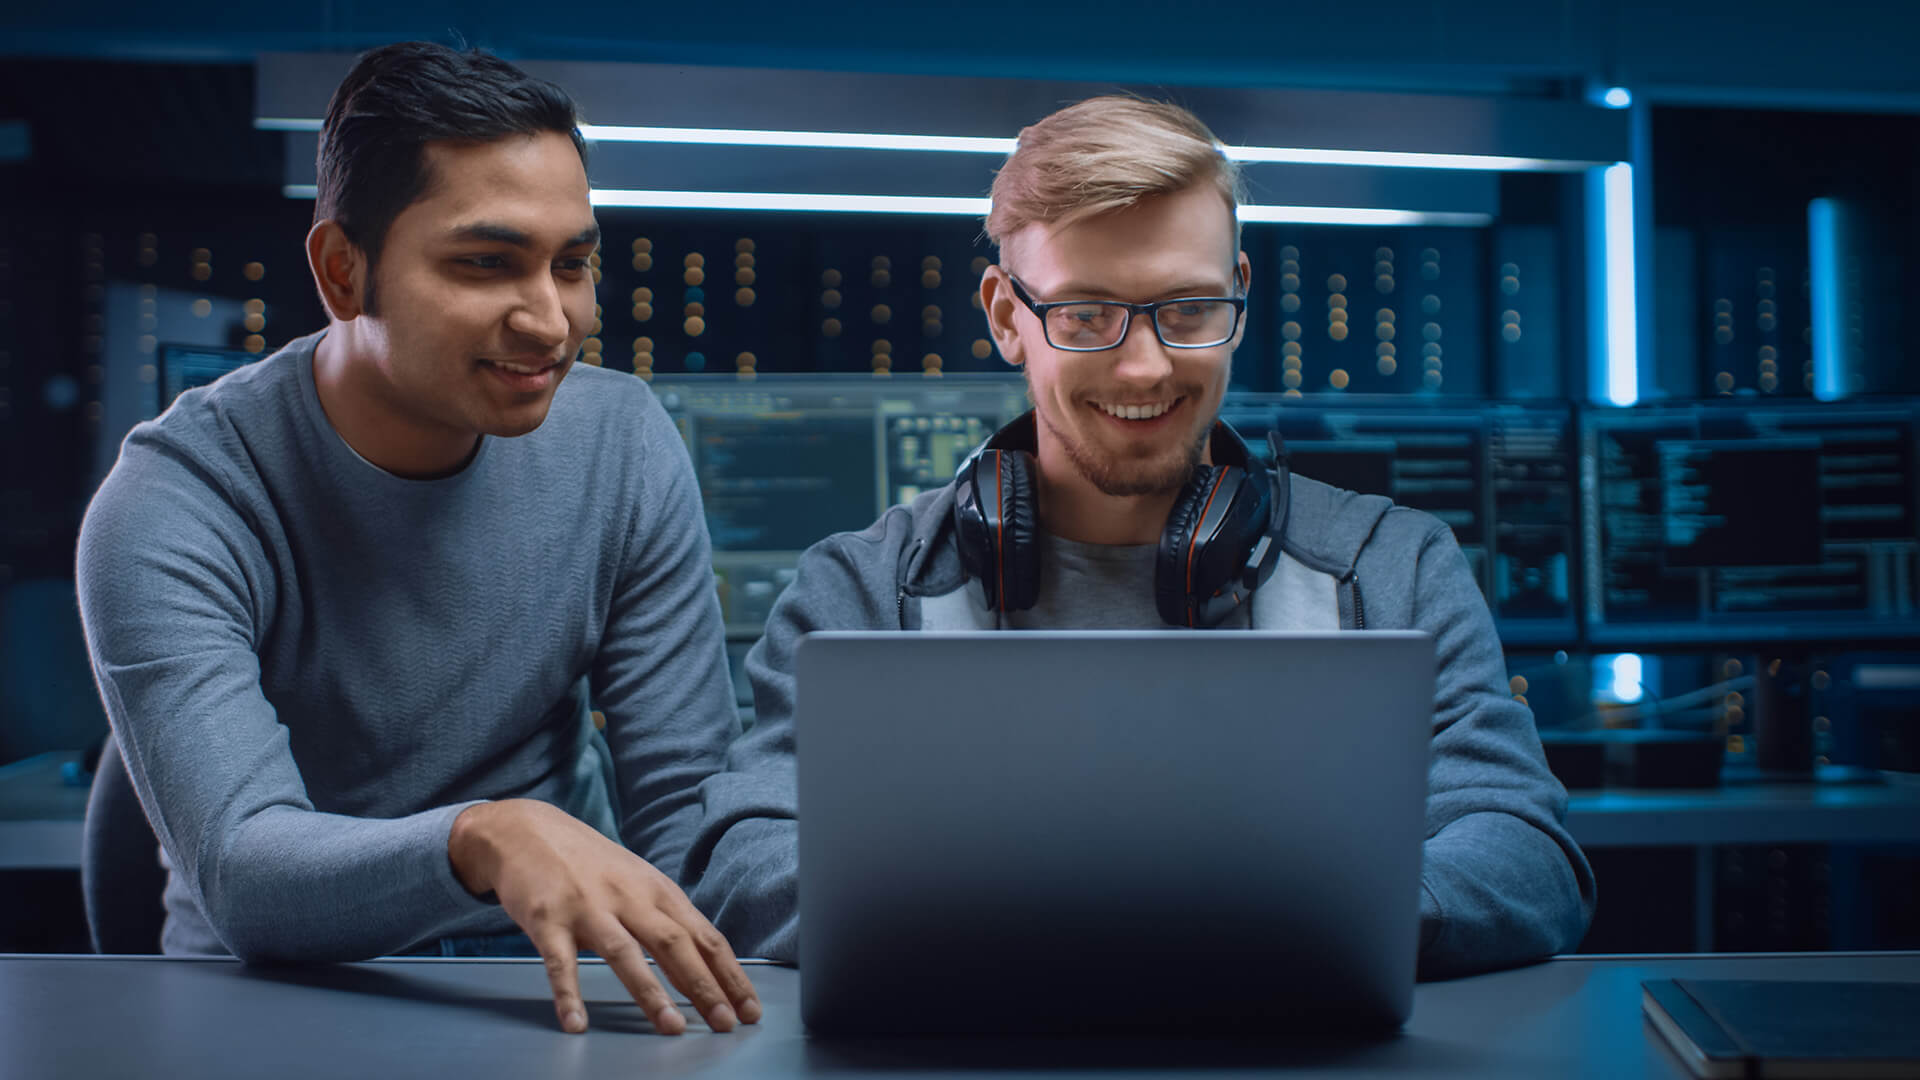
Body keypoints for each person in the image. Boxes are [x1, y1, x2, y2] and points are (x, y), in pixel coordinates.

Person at [692, 95, 1597, 977]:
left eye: (1187, 309)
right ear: (1009, 317)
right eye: (1087, 315)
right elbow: (744, 857)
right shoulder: (861, 591)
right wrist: (1026, 932)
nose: (1145, 364)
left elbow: (1523, 848)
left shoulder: (1390, 568)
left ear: (1239, 298)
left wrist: (1345, 918)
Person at [75, 42, 762, 1036]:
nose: (549, 320)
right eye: (487, 263)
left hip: (554, 993)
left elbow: (686, 830)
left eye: (572, 264)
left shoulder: (621, 444)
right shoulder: (176, 499)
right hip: (262, 1003)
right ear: (343, 271)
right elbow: (243, 871)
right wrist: (485, 840)